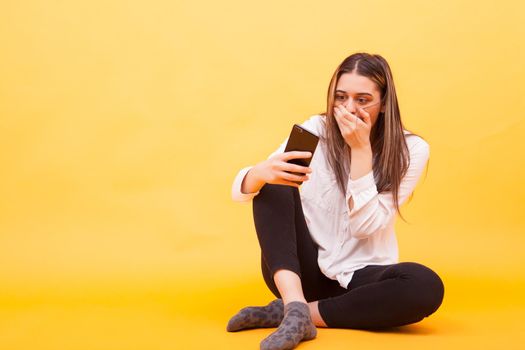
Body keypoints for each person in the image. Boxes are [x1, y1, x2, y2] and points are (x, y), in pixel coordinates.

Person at [226, 52, 445, 350]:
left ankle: (298, 313)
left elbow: (367, 226)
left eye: (363, 99)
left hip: (362, 276)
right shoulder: (316, 129)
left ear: (383, 104)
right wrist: (258, 173)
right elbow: (244, 189)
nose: (348, 108)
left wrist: (361, 151)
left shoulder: (412, 149)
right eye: (341, 97)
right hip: (301, 273)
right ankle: (294, 302)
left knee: (424, 285)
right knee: (274, 184)